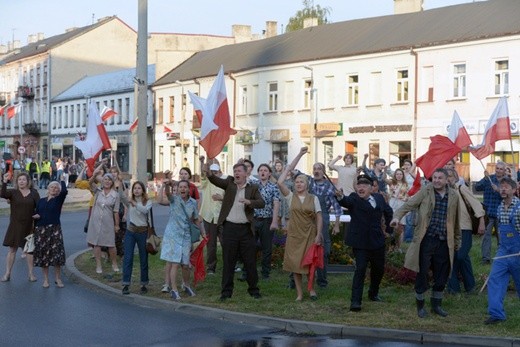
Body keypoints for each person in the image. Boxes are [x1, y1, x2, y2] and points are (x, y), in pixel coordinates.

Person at [391, 168, 461, 318]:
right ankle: (420, 307)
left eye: (440, 178)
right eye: (434, 177)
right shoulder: (425, 191)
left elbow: (456, 221)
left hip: (444, 241)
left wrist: (457, 240)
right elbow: (407, 205)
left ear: (447, 179)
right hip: (426, 240)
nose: (436, 180)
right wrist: (396, 217)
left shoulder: (454, 195)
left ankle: (437, 305)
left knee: (441, 275)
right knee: (422, 273)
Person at [203, 161, 265, 301]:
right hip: (230, 228)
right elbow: (213, 179)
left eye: (239, 171)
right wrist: (206, 168)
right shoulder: (229, 184)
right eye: (235, 170)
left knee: (250, 261)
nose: (236, 173)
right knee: (228, 261)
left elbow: (262, 203)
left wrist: (250, 202)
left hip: (246, 230)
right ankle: (226, 292)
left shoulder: (253, 188)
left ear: (245, 173)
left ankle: (254, 290)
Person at [336, 174, 393, 311]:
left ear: (370, 188)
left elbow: (388, 211)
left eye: (364, 186)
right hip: (360, 243)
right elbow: (346, 202)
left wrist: (390, 229)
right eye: (359, 186)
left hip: (377, 241)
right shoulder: (354, 199)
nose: (360, 188)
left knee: (378, 269)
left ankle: (373, 293)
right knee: (360, 269)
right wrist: (340, 197)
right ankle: (355, 302)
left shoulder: (379, 198)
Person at [290, 147, 342, 289]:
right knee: (300, 247)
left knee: (322, 249)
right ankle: (294, 281)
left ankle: (322, 281)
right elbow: (291, 170)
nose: (316, 170)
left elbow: (337, 208)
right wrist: (300, 154)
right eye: (314, 168)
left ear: (324, 171)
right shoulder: (308, 181)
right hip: (306, 217)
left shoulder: (331, 187)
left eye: (319, 168)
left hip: (323, 217)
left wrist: (336, 224)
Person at [277, 160, 323, 301]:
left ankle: (311, 289)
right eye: (297, 182)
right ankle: (299, 293)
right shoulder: (290, 197)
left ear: (307, 184)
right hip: (295, 235)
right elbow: (280, 182)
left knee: (310, 264)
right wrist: (300, 156)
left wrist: (318, 234)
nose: (298, 184)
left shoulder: (313, 198)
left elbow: (319, 217)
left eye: (301, 181)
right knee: (296, 264)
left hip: (309, 234)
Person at [158, 178, 203, 300]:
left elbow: (195, 219)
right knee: (175, 263)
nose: (182, 189)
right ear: (177, 189)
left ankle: (186, 285)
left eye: (185, 187)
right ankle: (174, 289)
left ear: (189, 190)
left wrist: (202, 233)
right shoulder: (174, 199)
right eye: (180, 187)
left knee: (186, 264)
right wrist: (166, 185)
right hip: (173, 235)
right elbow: (167, 194)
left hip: (186, 236)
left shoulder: (193, 203)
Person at [484, 177, 520, 324]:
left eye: (506, 187)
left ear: (514, 190)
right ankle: (497, 314)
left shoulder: (519, 208)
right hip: (504, 251)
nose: (503, 189)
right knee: (494, 279)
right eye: (501, 187)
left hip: (518, 252)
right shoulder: (499, 207)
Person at [446, 169, 485, 294]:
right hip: (450, 229)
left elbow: (476, 205)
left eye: (450, 176)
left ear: (456, 178)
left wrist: (481, 222)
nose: (448, 179)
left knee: (460, 256)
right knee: (461, 258)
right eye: (446, 177)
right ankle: (467, 287)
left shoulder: (461, 188)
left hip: (464, 227)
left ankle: (454, 287)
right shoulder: (444, 192)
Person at [1, 172, 40, 282]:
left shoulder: (34, 193)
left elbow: (39, 206)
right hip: (15, 225)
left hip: (29, 226)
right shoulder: (13, 193)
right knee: (12, 250)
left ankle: (31, 274)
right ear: (17, 182)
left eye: (23, 179)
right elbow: (2, 194)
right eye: (19, 180)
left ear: (28, 181)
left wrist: (39, 214)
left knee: (29, 251)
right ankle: (7, 273)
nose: (21, 181)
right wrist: (4, 181)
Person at [32, 177, 68, 288]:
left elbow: (64, 191)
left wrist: (62, 180)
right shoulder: (41, 201)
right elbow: (37, 212)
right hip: (41, 229)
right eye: (52, 187)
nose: (54, 189)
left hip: (54, 229)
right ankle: (46, 280)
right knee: (44, 256)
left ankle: (58, 279)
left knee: (56, 254)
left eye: (56, 188)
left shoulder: (58, 199)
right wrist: (36, 216)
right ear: (48, 189)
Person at [121, 181, 152, 295]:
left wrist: (134, 203)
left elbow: (144, 210)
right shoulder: (129, 201)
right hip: (131, 231)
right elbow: (121, 196)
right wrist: (119, 182)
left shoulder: (148, 202)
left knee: (143, 259)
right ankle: (125, 284)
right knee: (128, 258)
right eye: (135, 188)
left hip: (143, 232)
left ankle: (143, 283)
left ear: (143, 190)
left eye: (139, 188)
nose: (137, 190)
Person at [86, 171, 121, 274]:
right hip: (95, 221)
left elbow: (116, 211)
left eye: (109, 180)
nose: (107, 181)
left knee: (111, 244)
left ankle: (114, 263)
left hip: (108, 222)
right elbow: (89, 183)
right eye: (105, 179)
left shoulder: (115, 195)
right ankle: (98, 265)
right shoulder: (97, 191)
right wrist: (94, 173)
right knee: (96, 244)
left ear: (112, 182)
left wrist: (117, 225)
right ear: (102, 181)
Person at [251, 163, 280, 280]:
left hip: (267, 220)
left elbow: (276, 203)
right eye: (260, 170)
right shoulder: (253, 186)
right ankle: (248, 272)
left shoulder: (273, 187)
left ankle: (265, 273)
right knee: (250, 247)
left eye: (265, 170)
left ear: (269, 174)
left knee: (266, 248)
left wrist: (274, 221)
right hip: (253, 220)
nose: (262, 172)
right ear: (258, 173)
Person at [475, 162, 506, 264]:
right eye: (497, 168)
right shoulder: (489, 179)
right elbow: (477, 187)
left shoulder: (506, 182)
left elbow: (509, 196)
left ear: (504, 171)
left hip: (501, 214)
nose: (498, 170)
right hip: (488, 213)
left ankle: (501, 258)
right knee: (486, 236)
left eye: (501, 169)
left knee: (501, 237)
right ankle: (486, 259)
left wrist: (498, 190)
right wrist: (484, 178)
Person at [199, 157, 226, 276]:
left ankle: (229, 264)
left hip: (222, 217)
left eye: (216, 171)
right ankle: (211, 267)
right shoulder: (207, 182)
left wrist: (222, 198)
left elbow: (231, 198)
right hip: (209, 216)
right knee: (211, 244)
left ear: (220, 171)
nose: (214, 174)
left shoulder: (225, 181)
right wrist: (201, 163)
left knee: (226, 242)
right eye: (212, 172)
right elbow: (203, 175)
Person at [388, 168, 408, 251]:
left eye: (400, 174)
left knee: (401, 226)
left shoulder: (405, 184)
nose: (399, 176)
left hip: (401, 204)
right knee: (393, 226)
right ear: (395, 175)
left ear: (403, 175)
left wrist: (405, 198)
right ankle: (392, 246)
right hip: (392, 204)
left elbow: (408, 195)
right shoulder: (392, 183)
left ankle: (399, 247)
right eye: (397, 174)